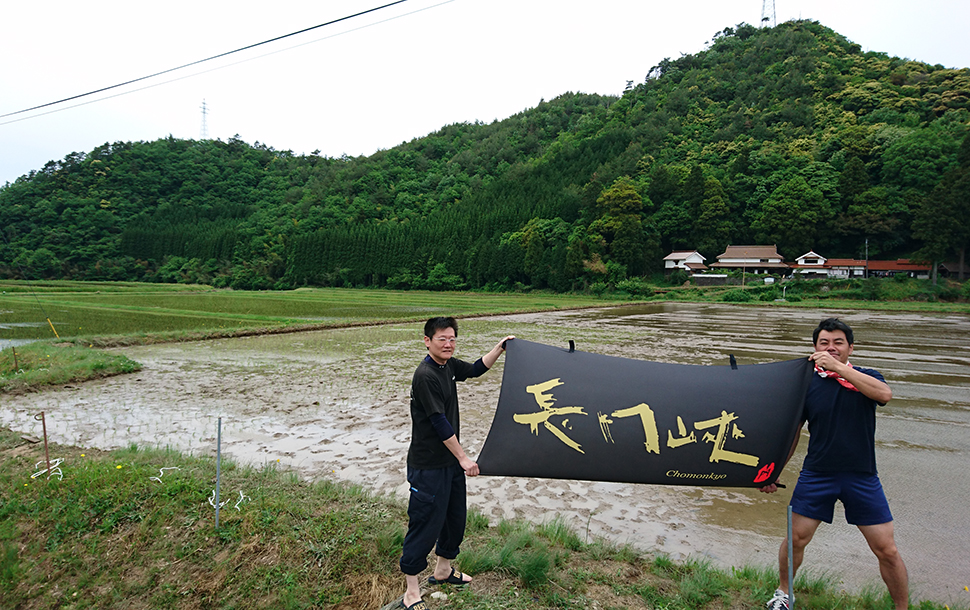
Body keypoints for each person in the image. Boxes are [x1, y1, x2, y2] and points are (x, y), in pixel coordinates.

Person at [760, 318, 908, 610]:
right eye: (824, 343)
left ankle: (902, 607)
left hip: (862, 476)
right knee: (795, 540)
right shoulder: (806, 385)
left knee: (887, 550)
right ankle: (783, 594)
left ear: (850, 348)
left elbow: (885, 395)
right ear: (814, 348)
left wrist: (838, 368)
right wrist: (773, 471)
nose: (831, 348)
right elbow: (793, 433)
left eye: (838, 342)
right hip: (817, 474)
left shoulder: (867, 376)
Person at [399, 316, 514, 610]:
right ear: (427, 341)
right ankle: (411, 591)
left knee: (453, 518)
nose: (448, 344)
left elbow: (476, 369)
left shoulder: (447, 366)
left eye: (452, 339)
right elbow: (438, 422)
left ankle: (443, 571)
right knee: (425, 522)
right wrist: (464, 458)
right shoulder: (425, 375)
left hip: (449, 464)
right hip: (429, 465)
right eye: (442, 339)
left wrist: (499, 348)